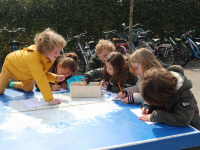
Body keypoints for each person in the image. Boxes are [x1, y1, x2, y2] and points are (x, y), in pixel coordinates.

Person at [0, 28, 67, 105]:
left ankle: (11, 84)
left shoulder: (48, 57)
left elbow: (43, 73)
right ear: (45, 49)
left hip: (24, 73)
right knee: (0, 91)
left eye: (59, 51)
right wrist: (49, 99)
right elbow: (40, 78)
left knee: (29, 89)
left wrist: (55, 78)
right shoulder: (33, 58)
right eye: (56, 51)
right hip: (10, 66)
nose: (58, 54)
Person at [139, 66, 200, 131]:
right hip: (171, 127)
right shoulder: (162, 90)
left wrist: (157, 116)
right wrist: (147, 106)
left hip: (191, 130)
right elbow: (155, 98)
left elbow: (183, 119)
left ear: (163, 95)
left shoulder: (185, 95)